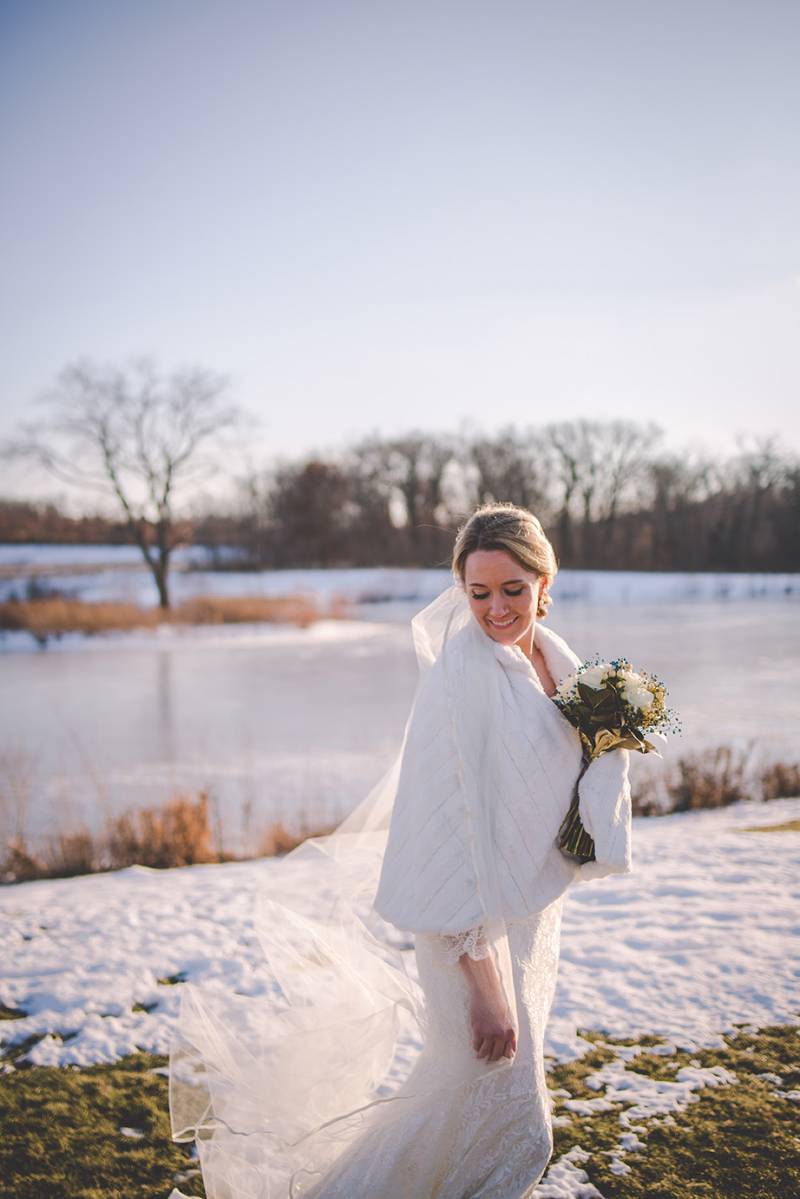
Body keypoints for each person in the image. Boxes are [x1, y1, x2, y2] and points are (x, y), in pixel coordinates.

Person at [169, 502, 633, 1199]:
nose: (496, 608)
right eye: (479, 592)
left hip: (526, 911)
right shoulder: (464, 678)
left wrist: (613, 743)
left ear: (545, 580)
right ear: (460, 590)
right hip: (465, 929)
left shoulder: (552, 658)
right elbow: (444, 835)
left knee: (498, 1103)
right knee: (504, 1111)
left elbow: (543, 781)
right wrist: (481, 983)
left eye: (513, 588)